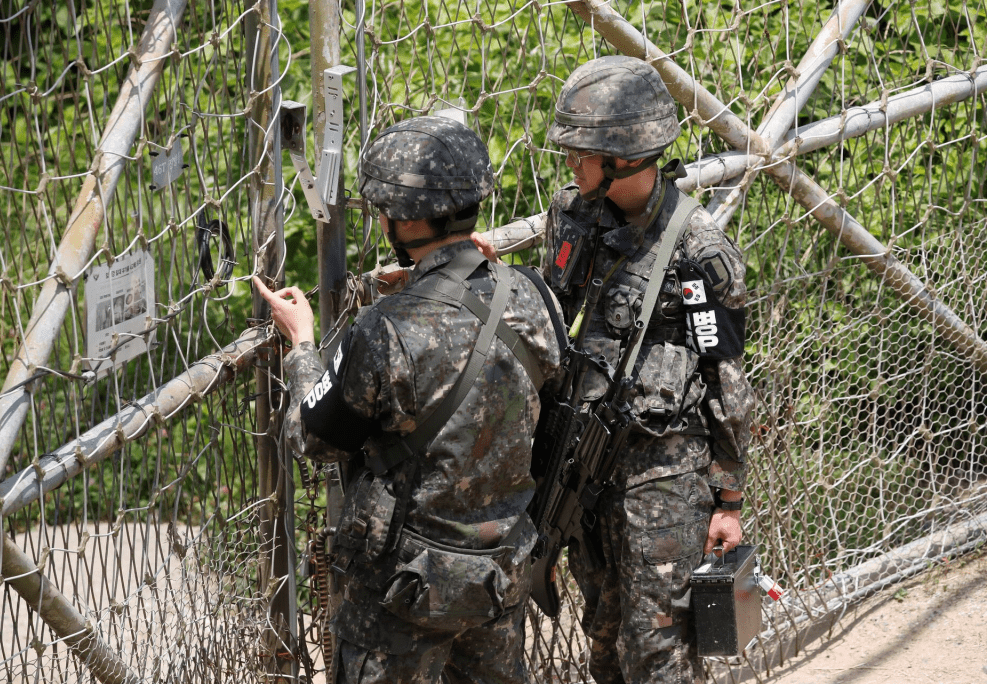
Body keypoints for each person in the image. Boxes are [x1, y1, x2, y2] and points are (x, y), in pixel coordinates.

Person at [254, 115, 564, 684]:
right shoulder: (532, 295)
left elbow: (310, 435)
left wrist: (302, 344)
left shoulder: (384, 329)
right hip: (500, 568)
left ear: (405, 219)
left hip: (405, 585)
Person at [541, 56, 756, 684]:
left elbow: (725, 378)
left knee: (658, 653)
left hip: (667, 476)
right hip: (589, 464)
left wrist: (729, 499)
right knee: (603, 641)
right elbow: (551, 319)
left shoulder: (700, 252)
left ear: (622, 157)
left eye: (581, 152)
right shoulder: (575, 214)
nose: (571, 164)